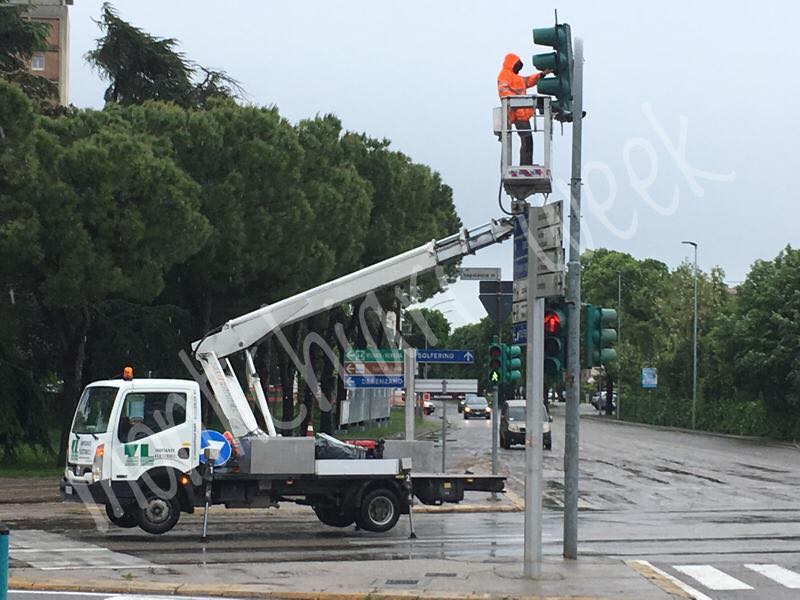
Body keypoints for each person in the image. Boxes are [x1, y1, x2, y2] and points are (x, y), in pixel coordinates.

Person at [497, 53, 551, 165]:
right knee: (527, 140)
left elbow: (528, 81)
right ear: (512, 64)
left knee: (527, 140)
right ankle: (526, 164)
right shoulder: (504, 75)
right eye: (517, 66)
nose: (519, 69)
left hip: (522, 113)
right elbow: (503, 92)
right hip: (517, 114)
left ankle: (526, 164)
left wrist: (541, 75)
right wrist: (518, 104)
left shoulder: (514, 77)